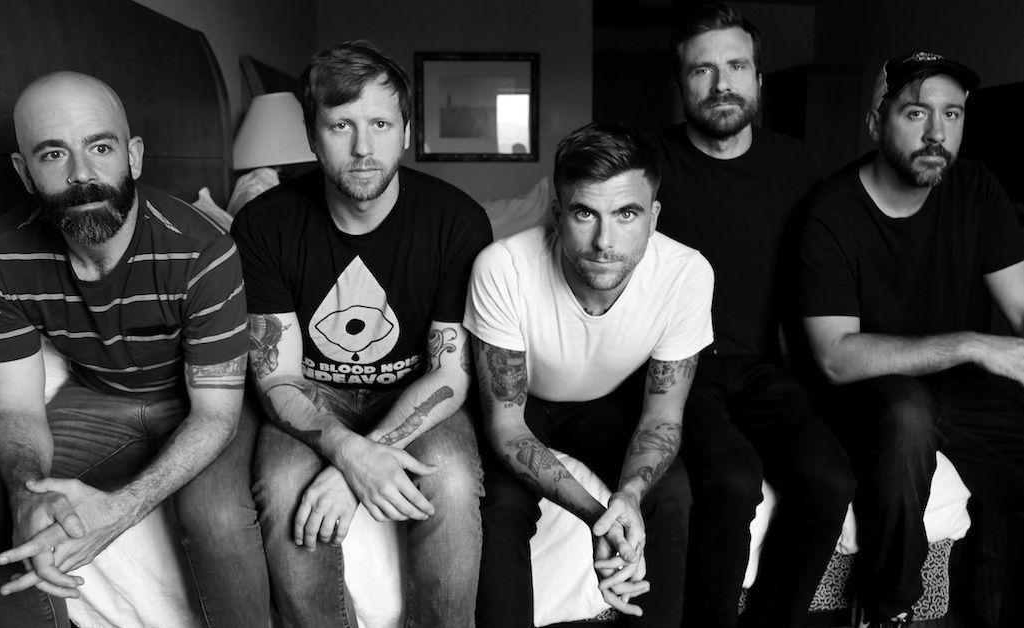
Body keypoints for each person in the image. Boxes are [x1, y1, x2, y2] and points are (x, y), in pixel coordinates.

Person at [797, 51, 1024, 627]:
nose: (936, 133)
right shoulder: (830, 213)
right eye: (916, 113)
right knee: (907, 413)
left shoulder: (976, 187)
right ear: (875, 124)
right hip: (865, 391)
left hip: (957, 391)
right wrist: (971, 344)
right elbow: (835, 357)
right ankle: (888, 609)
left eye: (951, 114)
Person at [0, 71, 250, 627]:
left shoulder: (204, 250)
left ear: (133, 156)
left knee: (218, 518)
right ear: (24, 171)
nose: (81, 174)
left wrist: (120, 511)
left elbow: (216, 413)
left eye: (100, 147)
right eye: (53, 154)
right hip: (98, 397)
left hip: (196, 400)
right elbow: (16, 407)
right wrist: (26, 495)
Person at [230, 41, 491, 628]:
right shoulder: (264, 224)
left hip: (414, 388)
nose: (363, 148)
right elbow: (276, 377)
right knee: (284, 486)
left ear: (406, 131)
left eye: (380, 124)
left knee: (450, 482)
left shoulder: (457, 221)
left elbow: (450, 371)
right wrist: (350, 454)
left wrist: (365, 461)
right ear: (311, 134)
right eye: (341, 125)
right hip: (312, 391)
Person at [646, 4, 856, 626]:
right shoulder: (646, 163)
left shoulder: (800, 165)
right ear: (680, 85)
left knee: (829, 478)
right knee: (733, 480)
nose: (722, 84)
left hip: (763, 368)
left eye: (737, 67)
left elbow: (834, 268)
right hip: (675, 367)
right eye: (702, 70)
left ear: (759, 79)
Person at [469, 123, 713, 627]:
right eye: (585, 213)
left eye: (627, 214)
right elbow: (507, 425)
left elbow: (662, 417)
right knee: (502, 504)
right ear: (557, 215)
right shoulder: (503, 267)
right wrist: (596, 515)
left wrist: (628, 497)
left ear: (653, 217)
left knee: (671, 494)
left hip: (608, 403)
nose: (605, 242)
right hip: (525, 406)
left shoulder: (686, 273)